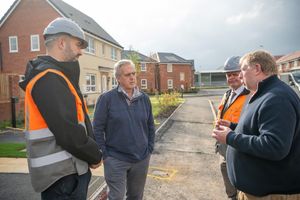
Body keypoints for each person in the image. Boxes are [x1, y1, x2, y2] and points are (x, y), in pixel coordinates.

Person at [19, 17, 102, 200]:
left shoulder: (57, 76)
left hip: (67, 174)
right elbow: (68, 132)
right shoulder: (48, 79)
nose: (81, 51)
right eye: (79, 44)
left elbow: (79, 121)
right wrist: (95, 155)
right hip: (62, 179)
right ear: (62, 43)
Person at [212, 50, 300, 199]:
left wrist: (230, 137)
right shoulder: (265, 93)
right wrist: (233, 126)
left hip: (271, 194)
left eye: (242, 70)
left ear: (257, 68)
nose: (239, 76)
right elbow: (259, 128)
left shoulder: (276, 98)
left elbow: (274, 146)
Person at [93, 59, 155, 200]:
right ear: (118, 78)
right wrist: (105, 154)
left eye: (133, 73)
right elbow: (97, 128)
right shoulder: (106, 99)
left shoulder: (144, 99)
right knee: (116, 197)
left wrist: (149, 148)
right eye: (127, 75)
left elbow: (150, 125)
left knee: (136, 196)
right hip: (115, 159)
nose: (132, 77)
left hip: (141, 158)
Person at [215, 56, 250, 200]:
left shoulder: (250, 95)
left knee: (241, 181)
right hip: (224, 147)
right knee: (225, 173)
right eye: (229, 75)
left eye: (235, 74)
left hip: (239, 148)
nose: (232, 78)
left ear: (241, 74)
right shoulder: (227, 94)